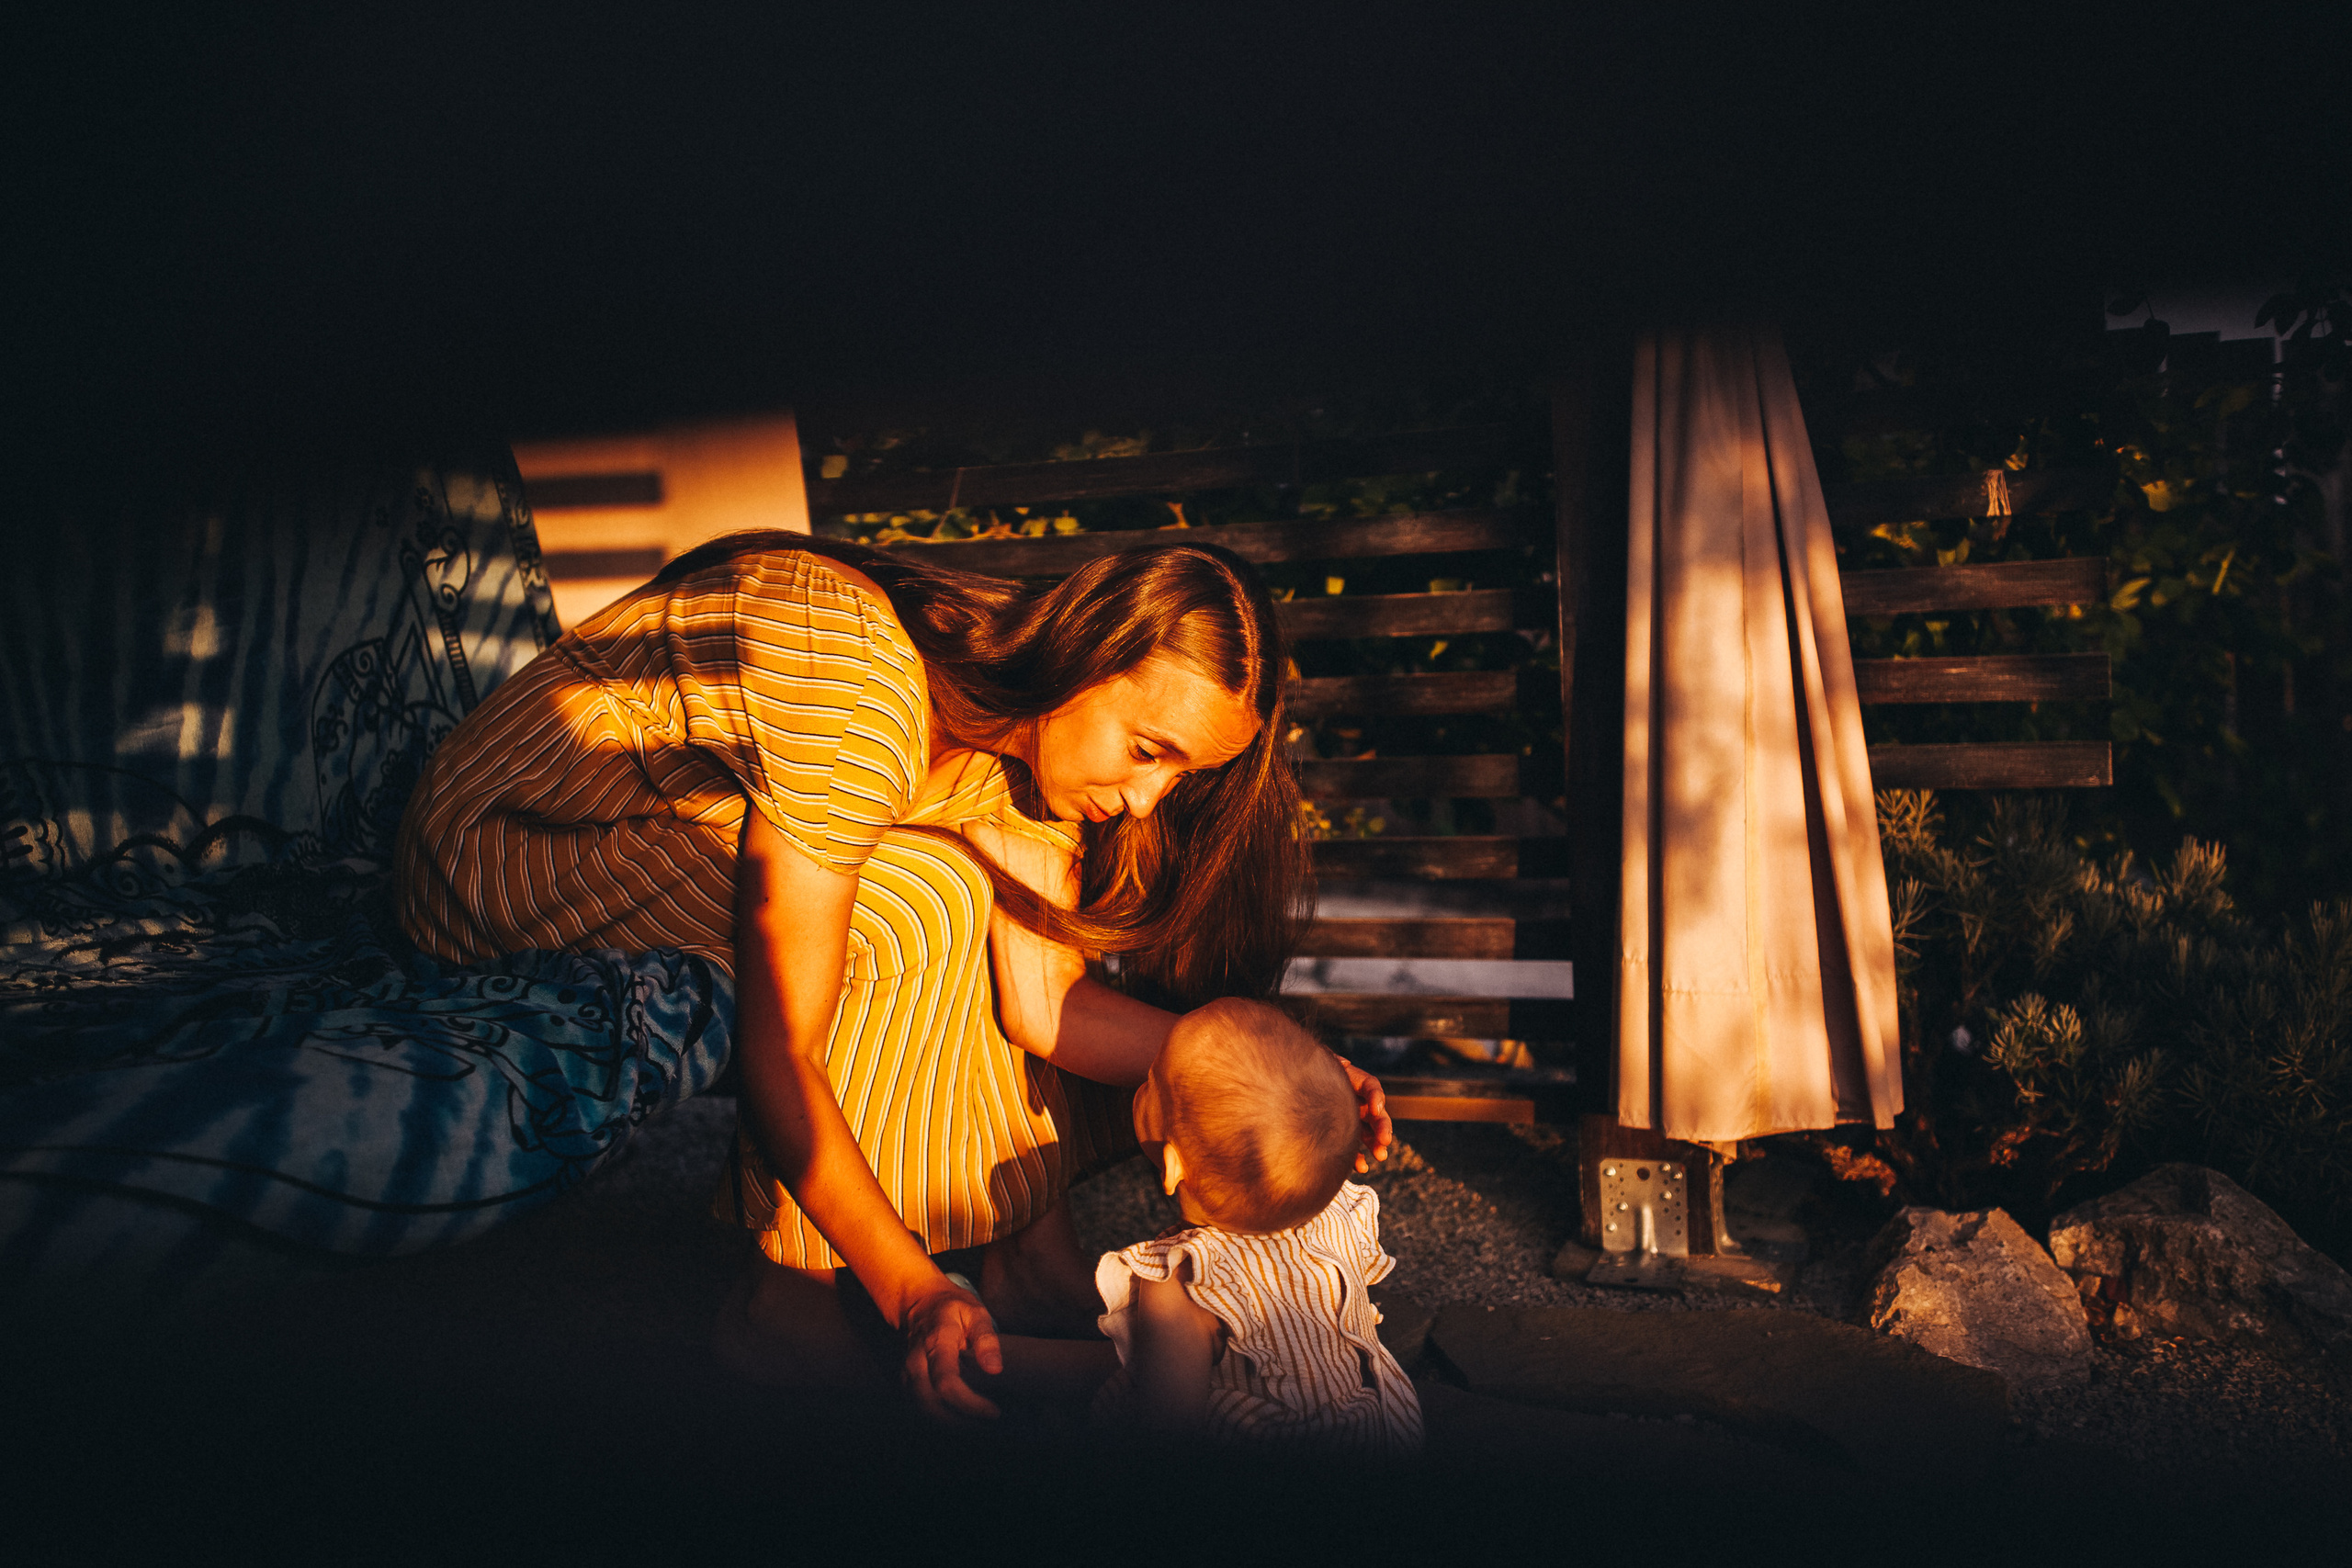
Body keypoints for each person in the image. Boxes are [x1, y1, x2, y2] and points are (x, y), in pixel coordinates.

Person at [392, 532, 1394, 1419]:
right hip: (503, 855)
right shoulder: (854, 683)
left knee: (965, 889)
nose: (1145, 802)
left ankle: (1026, 1270)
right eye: (1148, 751)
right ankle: (793, 1305)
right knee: (924, 897)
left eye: (1180, 776)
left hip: (657, 838)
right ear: (1088, 658)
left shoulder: (1023, 769)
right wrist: (910, 1289)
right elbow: (781, 1041)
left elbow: (1044, 1009)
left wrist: (1264, 1081)